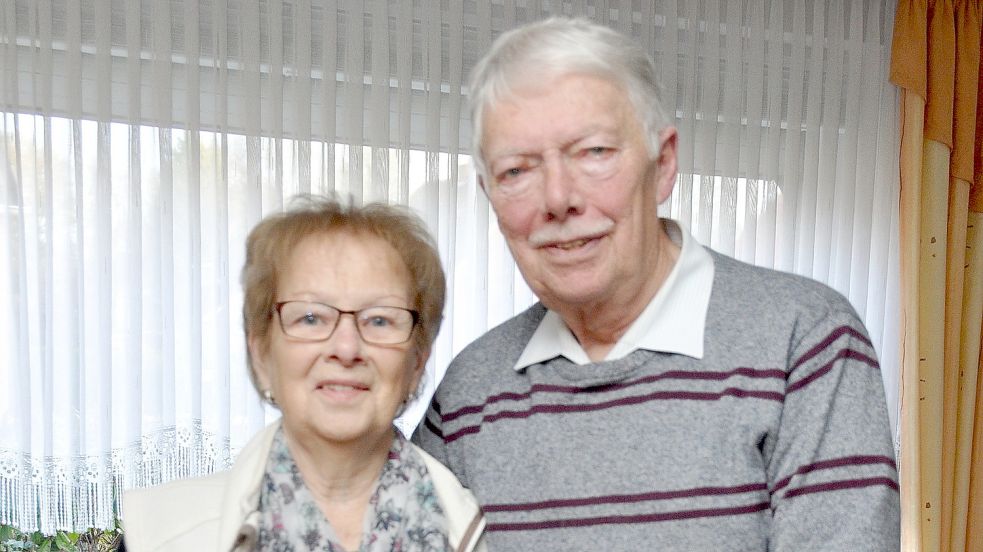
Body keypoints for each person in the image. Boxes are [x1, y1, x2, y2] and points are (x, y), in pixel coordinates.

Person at [414, 17, 900, 551]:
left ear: (663, 164)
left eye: (593, 152)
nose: (558, 198)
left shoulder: (806, 341)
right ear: (489, 195)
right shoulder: (467, 393)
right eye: (516, 171)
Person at [123, 196, 486, 551]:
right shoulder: (158, 533)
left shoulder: (489, 533)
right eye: (310, 317)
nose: (346, 349)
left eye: (379, 319)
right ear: (262, 353)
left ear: (417, 360)